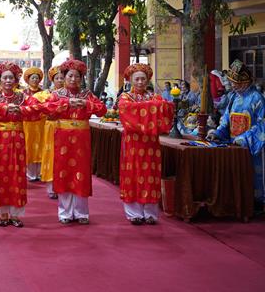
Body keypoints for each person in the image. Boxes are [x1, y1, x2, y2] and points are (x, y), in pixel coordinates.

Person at [43, 59, 106, 224]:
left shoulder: (87, 95)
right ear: (64, 76)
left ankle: (81, 213)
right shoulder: (57, 95)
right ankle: (65, 213)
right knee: (64, 172)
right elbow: (47, 109)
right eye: (70, 76)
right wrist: (66, 103)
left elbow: (102, 110)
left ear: (82, 78)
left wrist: (86, 104)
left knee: (81, 173)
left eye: (77, 76)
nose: (73, 79)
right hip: (63, 137)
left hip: (82, 138)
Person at [0, 62, 41, 227]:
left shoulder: (23, 97)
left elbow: (37, 108)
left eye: (11, 78)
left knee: (17, 174)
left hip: (18, 139)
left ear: (16, 80)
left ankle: (16, 214)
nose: (8, 81)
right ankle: (3, 214)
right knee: (0, 174)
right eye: (5, 78)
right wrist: (5, 109)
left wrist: (20, 110)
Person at [117, 63, 174, 225]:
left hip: (150, 144)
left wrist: (145, 109)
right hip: (133, 142)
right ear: (130, 80)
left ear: (148, 80)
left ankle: (150, 213)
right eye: (137, 79)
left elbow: (166, 109)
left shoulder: (154, 96)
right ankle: (134, 213)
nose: (140, 82)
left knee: (151, 174)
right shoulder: (125, 97)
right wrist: (152, 110)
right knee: (133, 173)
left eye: (143, 79)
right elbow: (127, 112)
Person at [207, 60, 265, 206]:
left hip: (251, 147)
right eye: (232, 83)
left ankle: (256, 204)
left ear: (245, 82)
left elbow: (262, 124)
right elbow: (226, 118)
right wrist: (218, 132)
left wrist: (245, 139)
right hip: (234, 145)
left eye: (236, 84)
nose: (233, 86)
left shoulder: (257, 98)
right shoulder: (233, 97)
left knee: (253, 176)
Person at [38, 67, 64, 199]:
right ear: (52, 80)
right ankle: (51, 187)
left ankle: (63, 186)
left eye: (62, 78)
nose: (60, 80)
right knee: (51, 155)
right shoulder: (46, 94)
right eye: (57, 78)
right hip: (51, 126)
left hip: (64, 128)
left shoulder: (68, 94)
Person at [22, 67, 46, 181]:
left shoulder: (44, 92)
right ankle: (30, 173)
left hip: (40, 123)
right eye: (33, 78)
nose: (35, 80)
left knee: (40, 145)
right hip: (28, 123)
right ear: (28, 79)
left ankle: (40, 172)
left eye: (37, 78)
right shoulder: (23, 92)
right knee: (29, 146)